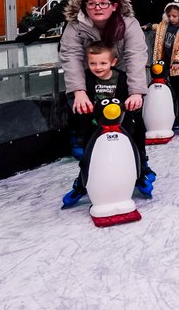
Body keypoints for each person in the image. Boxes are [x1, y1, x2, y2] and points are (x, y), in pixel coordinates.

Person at [58, 0, 152, 189]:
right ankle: (86, 173)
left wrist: (136, 92)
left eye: (103, 3)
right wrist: (79, 92)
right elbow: (70, 56)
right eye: (91, 4)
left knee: (132, 123)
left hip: (123, 78)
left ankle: (140, 166)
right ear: (85, 7)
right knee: (89, 127)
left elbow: (136, 55)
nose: (97, 8)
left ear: (114, 6)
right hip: (90, 81)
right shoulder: (75, 26)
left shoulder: (128, 24)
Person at [61, 42, 148, 207]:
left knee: (130, 152)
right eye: (93, 63)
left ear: (113, 62)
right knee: (89, 156)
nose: (98, 67)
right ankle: (82, 184)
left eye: (103, 63)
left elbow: (134, 96)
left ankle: (139, 176)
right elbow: (78, 99)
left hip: (122, 127)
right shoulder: (86, 78)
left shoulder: (122, 78)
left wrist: (132, 102)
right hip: (94, 128)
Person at [152, 2, 179, 133]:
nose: (171, 18)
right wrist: (149, 26)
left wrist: (178, 60)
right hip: (170, 65)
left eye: (175, 16)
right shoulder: (166, 25)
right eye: (169, 16)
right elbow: (159, 28)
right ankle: (176, 116)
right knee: (174, 92)